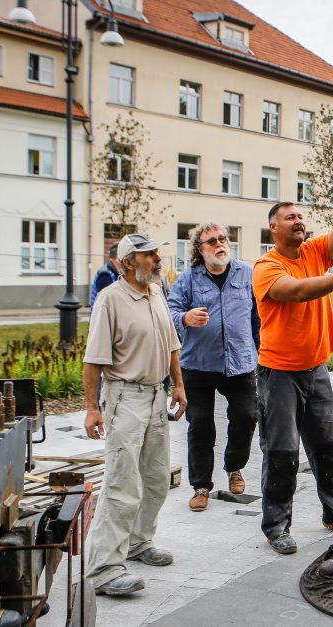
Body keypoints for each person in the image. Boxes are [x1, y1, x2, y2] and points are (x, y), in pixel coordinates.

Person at [252, 201, 333, 555]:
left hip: (316, 369)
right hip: (279, 374)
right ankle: (276, 526)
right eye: (289, 217)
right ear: (273, 227)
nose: (298, 221)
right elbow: (297, 291)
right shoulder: (266, 266)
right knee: (282, 453)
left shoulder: (314, 251)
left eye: (300, 216)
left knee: (329, 446)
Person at [82, 232, 187, 597]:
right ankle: (104, 569)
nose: (157, 259)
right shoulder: (110, 300)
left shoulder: (156, 292)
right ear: (128, 262)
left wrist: (179, 385)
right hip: (125, 398)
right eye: (148, 255)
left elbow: (172, 343)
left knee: (156, 479)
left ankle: (139, 543)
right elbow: (93, 360)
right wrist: (93, 409)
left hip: (156, 396)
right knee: (122, 484)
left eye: (157, 253)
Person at [167, 222, 260, 513]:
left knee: (246, 415)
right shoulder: (188, 279)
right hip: (199, 365)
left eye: (222, 239)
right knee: (201, 425)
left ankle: (234, 466)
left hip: (240, 361)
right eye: (211, 241)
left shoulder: (246, 273)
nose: (219, 244)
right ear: (199, 250)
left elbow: (258, 316)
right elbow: (168, 312)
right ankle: (201, 486)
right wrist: (185, 318)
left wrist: (259, 351)